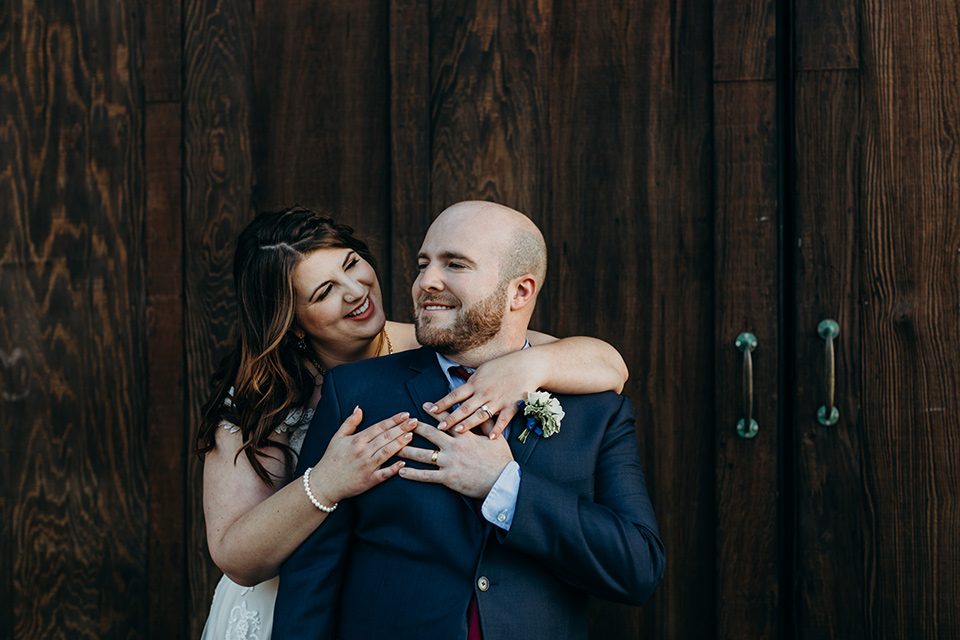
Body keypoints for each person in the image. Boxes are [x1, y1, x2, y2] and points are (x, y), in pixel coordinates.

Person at [197, 205, 631, 639]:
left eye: (352, 264)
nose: (356, 291)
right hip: (288, 603)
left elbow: (610, 366)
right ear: (291, 321)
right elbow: (236, 557)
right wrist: (326, 482)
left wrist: (529, 367)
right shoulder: (261, 396)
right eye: (326, 290)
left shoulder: (439, 337)